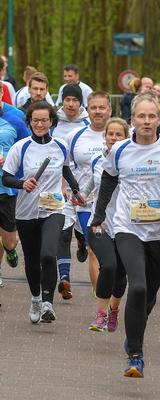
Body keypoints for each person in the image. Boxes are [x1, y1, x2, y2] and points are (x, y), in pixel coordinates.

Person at [90, 93, 160, 378]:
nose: (147, 121)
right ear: (133, 120)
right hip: (128, 227)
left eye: (152, 116)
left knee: (148, 296)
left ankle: (134, 332)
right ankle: (135, 355)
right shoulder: (121, 150)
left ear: (158, 118)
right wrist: (99, 215)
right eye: (141, 116)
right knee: (137, 287)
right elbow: (109, 178)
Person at [2, 101, 80, 323]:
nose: (40, 124)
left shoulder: (60, 146)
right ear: (29, 122)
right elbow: (5, 177)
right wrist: (21, 184)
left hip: (53, 207)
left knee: (48, 254)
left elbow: (65, 169)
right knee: (33, 260)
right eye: (35, 120)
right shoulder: (22, 147)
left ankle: (47, 303)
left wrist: (75, 190)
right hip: (26, 211)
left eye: (44, 120)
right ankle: (35, 298)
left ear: (52, 122)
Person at [76, 118, 129, 332]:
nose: (114, 138)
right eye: (111, 134)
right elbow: (92, 182)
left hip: (125, 225)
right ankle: (100, 314)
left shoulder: (131, 163)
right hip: (99, 223)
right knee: (108, 265)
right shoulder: (98, 160)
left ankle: (114, 310)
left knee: (121, 273)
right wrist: (81, 195)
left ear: (126, 138)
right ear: (104, 136)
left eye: (119, 135)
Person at [65, 91, 112, 291]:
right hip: (87, 204)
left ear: (109, 109)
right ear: (87, 110)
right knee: (94, 250)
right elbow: (64, 167)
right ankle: (100, 299)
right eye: (94, 107)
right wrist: (68, 191)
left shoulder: (121, 133)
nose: (98, 111)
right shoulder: (74, 137)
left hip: (117, 204)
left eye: (102, 107)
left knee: (113, 254)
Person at [51, 83, 90, 300]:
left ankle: (83, 243)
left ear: (81, 102)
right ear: (62, 101)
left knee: (82, 231)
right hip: (61, 186)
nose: (71, 104)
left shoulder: (88, 123)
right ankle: (64, 279)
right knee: (63, 233)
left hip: (85, 188)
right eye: (68, 100)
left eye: (75, 100)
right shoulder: (53, 122)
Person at [0, 84, 30, 285]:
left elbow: (27, 148)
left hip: (6, 187)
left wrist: (9, 159)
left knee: (8, 240)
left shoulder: (15, 118)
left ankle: (10, 249)